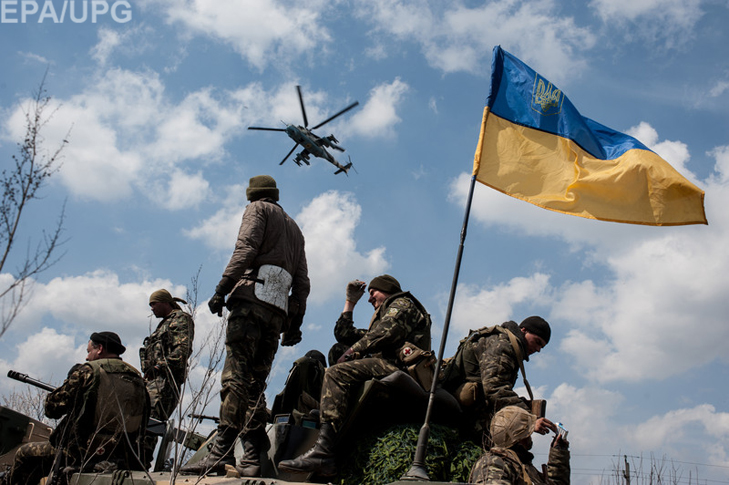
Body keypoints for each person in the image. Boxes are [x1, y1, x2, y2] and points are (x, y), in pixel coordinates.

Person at [180, 175, 309, 477]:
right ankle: (252, 452)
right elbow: (302, 283)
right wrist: (294, 323)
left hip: (250, 302)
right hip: (276, 313)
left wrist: (222, 288)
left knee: (235, 377)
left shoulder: (258, 210)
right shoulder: (295, 229)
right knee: (255, 384)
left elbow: (246, 248)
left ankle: (220, 450)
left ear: (253, 194)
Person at [278, 274, 431, 477]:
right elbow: (344, 334)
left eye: (373, 292)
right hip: (384, 364)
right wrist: (350, 302)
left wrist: (353, 352)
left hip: (400, 368)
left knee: (336, 372)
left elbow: (385, 333)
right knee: (336, 350)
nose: (369, 299)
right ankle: (333, 415)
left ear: (386, 289)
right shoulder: (384, 313)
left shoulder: (402, 303)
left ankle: (323, 453)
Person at [7, 332, 149, 485]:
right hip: (120, 454)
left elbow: (52, 409)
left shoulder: (88, 370)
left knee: (24, 454)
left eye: (89, 351)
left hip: (80, 451)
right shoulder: (138, 379)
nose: (87, 357)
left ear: (100, 349)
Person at [440, 316, 555, 444]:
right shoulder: (503, 345)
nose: (538, 349)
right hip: (458, 411)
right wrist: (529, 419)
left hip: (469, 408)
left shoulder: (511, 346)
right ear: (524, 331)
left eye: (542, 347)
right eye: (537, 341)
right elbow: (495, 389)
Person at [139, 289, 195, 468]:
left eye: (154, 304)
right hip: (153, 381)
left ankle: (141, 462)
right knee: (140, 422)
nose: (152, 308)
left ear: (165, 302)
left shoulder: (180, 319)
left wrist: (159, 366)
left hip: (165, 381)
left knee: (150, 423)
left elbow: (182, 351)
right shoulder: (163, 324)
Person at [469, 406, 570, 485]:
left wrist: (558, 452)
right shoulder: (492, 463)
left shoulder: (523, 466)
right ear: (521, 437)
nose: (530, 436)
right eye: (528, 432)